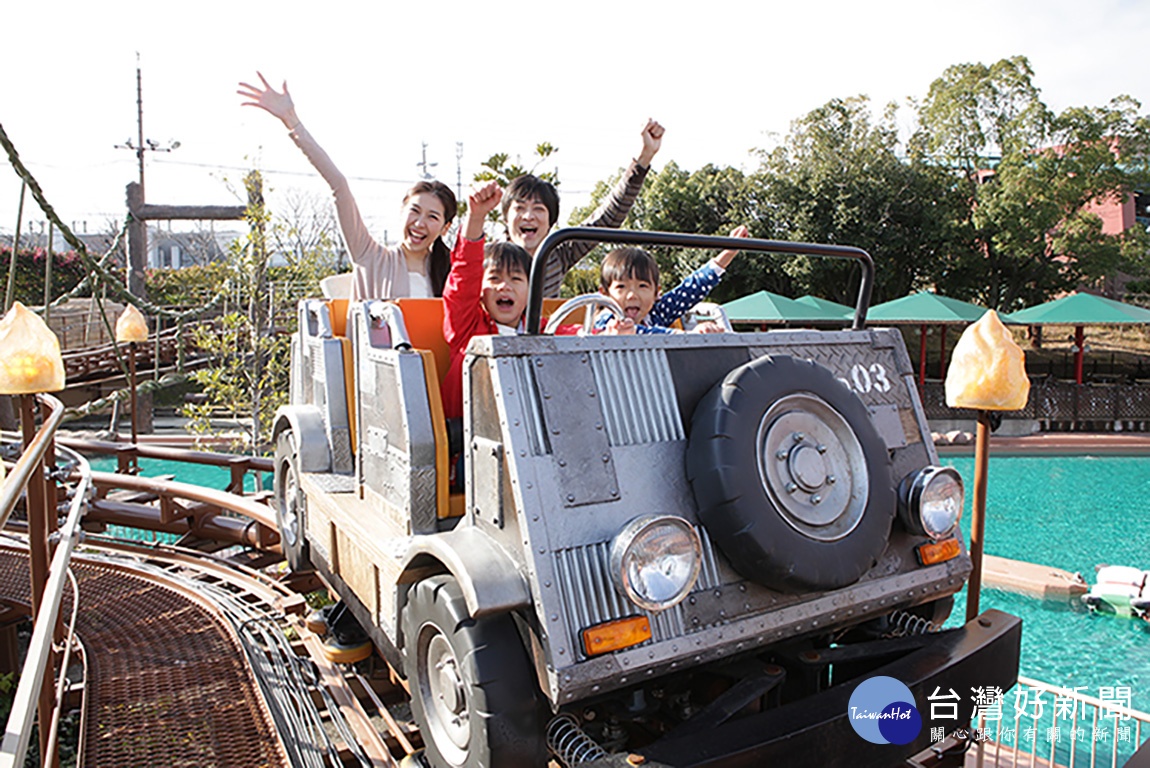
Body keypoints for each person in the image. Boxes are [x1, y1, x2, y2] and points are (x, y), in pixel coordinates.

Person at [238, 73, 455, 299]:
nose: (419, 223)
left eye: (432, 217)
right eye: (415, 211)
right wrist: (291, 120)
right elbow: (339, 185)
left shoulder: (452, 272)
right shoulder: (370, 256)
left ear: (445, 228)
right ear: (402, 211)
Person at [503, 120, 665, 298]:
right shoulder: (489, 259)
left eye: (538, 209)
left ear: (551, 221)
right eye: (519, 208)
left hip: (544, 326)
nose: (528, 216)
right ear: (506, 218)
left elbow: (608, 217)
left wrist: (644, 158)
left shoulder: (558, 253)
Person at [441, 182, 530, 422]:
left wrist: (607, 330)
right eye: (494, 278)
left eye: (515, 279)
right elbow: (464, 276)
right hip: (473, 442)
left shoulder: (540, 331)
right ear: (479, 291)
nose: (505, 286)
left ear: (530, 290)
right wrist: (477, 216)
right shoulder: (468, 329)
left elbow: (574, 335)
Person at [596, 226, 749, 334]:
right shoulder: (607, 322)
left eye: (642, 286)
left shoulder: (654, 315)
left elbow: (691, 290)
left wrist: (728, 253)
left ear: (657, 293)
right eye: (621, 287)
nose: (632, 295)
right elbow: (641, 333)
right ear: (605, 295)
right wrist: (687, 337)